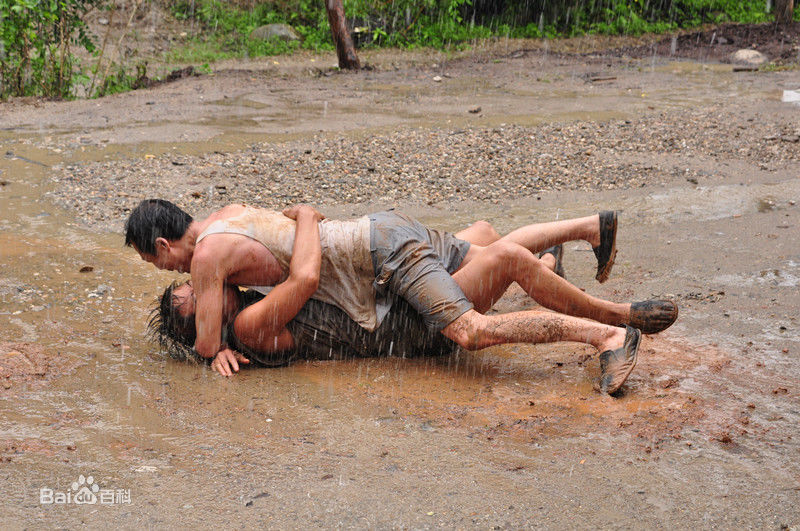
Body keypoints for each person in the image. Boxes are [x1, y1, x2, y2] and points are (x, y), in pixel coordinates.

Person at [126, 200, 677, 391]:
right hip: (383, 276)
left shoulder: (219, 274)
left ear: (162, 242)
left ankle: (613, 324)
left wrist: (207, 346)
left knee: (474, 319)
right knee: (483, 243)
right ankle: (580, 239)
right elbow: (209, 338)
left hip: (383, 266)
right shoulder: (231, 230)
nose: (202, 289)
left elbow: (305, 280)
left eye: (196, 289)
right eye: (196, 296)